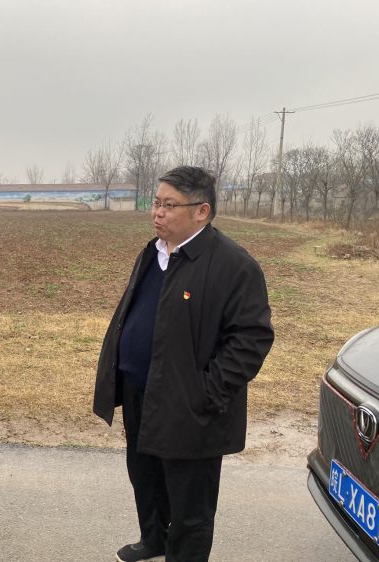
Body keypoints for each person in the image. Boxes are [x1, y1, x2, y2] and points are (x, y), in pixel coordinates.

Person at [93, 166, 274, 562]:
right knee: (146, 477)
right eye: (156, 203)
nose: (157, 212)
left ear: (201, 211)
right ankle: (154, 539)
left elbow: (252, 338)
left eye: (169, 205)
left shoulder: (233, 265)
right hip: (141, 392)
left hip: (191, 406)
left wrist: (205, 392)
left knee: (191, 503)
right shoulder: (153, 253)